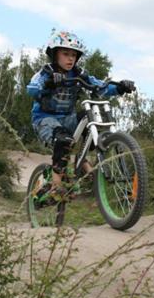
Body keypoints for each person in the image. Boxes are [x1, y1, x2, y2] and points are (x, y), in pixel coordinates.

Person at [26, 29, 136, 193]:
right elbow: (32, 88)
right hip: (45, 120)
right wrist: (49, 83)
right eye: (65, 54)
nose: (70, 58)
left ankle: (81, 157)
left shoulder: (79, 74)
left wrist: (120, 87)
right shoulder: (46, 72)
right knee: (63, 139)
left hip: (68, 119)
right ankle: (56, 185)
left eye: (73, 55)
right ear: (55, 54)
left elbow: (100, 86)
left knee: (90, 118)